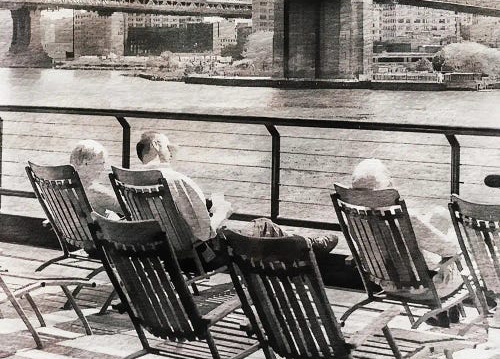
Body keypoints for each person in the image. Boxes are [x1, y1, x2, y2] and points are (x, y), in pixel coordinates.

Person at [136, 130, 338, 269]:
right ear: (156, 144)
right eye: (168, 144)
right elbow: (205, 233)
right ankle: (309, 246)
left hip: (166, 255)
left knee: (256, 232)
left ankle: (302, 245)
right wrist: (222, 211)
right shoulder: (177, 180)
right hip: (202, 255)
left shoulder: (130, 180)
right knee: (263, 226)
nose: (172, 150)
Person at [350, 158, 463, 326]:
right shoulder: (406, 218)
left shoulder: (354, 220)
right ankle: (444, 309)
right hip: (425, 289)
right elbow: (451, 250)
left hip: (388, 284)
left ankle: (444, 313)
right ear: (390, 186)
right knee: (460, 250)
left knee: (439, 214)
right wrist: (456, 236)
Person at [70, 140, 123, 218]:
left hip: (74, 230)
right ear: (86, 163)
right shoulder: (95, 192)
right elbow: (129, 208)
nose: (103, 168)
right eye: (100, 163)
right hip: (109, 229)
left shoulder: (64, 188)